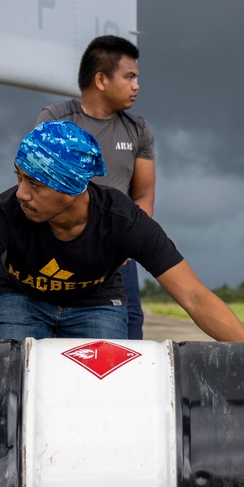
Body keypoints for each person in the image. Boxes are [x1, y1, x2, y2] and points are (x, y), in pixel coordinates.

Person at [0, 120, 244, 344]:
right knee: (17, 383)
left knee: (100, 391)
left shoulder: (123, 221)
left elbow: (194, 296)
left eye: (34, 183)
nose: (20, 192)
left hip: (96, 302)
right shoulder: (1, 214)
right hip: (21, 298)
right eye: (18, 177)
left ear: (72, 187)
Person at [35, 35, 154, 339]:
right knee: (57, 336)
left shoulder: (138, 130)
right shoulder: (55, 119)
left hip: (117, 259)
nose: (136, 85)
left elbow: (142, 196)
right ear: (101, 79)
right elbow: (37, 183)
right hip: (60, 252)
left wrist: (128, 243)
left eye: (136, 78)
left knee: (127, 334)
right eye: (129, 77)